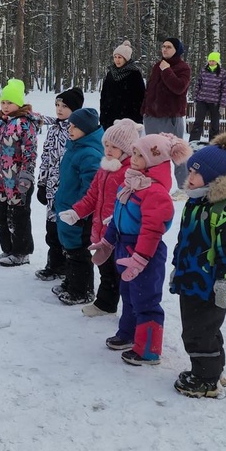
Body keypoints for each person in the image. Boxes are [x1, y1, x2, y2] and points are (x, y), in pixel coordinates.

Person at [90, 133, 191, 366]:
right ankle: (128, 334)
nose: (133, 158)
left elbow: (152, 230)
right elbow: (117, 216)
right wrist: (107, 242)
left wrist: (141, 258)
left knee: (146, 298)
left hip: (146, 253)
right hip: (125, 249)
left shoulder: (155, 193)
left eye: (140, 155)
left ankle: (148, 349)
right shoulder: (131, 183)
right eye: (133, 153)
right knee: (128, 294)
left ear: (154, 160)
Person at [171, 133, 226, 398]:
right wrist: (176, 265)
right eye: (190, 169)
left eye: (197, 172)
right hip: (191, 278)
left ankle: (206, 379)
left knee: (199, 332)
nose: (190, 175)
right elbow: (184, 240)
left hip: (211, 284)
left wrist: (225, 281)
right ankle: (213, 369)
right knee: (202, 329)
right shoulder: (194, 203)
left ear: (215, 178)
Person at [60, 119, 141, 317]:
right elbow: (92, 196)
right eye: (106, 145)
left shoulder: (129, 174)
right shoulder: (104, 169)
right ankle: (105, 304)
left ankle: (132, 310)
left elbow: (133, 204)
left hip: (121, 233)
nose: (109, 150)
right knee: (106, 270)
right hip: (102, 230)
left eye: (114, 147)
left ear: (127, 150)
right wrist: (76, 212)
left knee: (119, 271)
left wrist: (117, 219)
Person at [0, 79, 39, 266]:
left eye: (9, 103)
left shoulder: (25, 124)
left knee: (18, 218)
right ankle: (7, 249)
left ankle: (21, 253)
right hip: (1, 181)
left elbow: (30, 153)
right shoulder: (0, 124)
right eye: (3, 102)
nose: (5, 106)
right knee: (1, 216)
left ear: (19, 103)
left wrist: (26, 176)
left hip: (18, 182)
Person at [51, 107, 104, 305]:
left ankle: (81, 290)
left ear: (87, 130)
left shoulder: (89, 153)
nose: (70, 129)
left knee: (78, 252)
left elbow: (90, 187)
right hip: (66, 208)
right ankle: (71, 282)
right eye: (70, 125)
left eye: (75, 126)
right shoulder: (74, 148)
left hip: (78, 213)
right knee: (69, 248)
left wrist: (81, 211)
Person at [34, 87, 83, 282]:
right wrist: (42, 183)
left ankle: (67, 267)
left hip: (68, 189)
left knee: (66, 231)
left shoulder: (75, 131)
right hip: (52, 188)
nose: (59, 109)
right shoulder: (54, 129)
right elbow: (46, 158)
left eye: (64, 106)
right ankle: (53, 264)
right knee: (51, 230)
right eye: (57, 105)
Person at [141, 37, 192, 200]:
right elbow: (150, 89)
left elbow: (179, 88)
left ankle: (184, 187)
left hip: (170, 117)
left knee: (176, 152)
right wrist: (145, 109)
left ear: (177, 50)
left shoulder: (183, 68)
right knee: (152, 152)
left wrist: (167, 70)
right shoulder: (158, 65)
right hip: (152, 116)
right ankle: (154, 184)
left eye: (169, 47)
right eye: (163, 46)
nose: (164, 49)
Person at [99, 40, 145, 129]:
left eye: (120, 57)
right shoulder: (110, 73)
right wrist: (103, 114)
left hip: (128, 116)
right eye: (115, 57)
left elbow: (140, 97)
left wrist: (137, 118)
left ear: (126, 59)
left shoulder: (134, 73)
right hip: (109, 116)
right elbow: (104, 95)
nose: (117, 60)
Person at [189, 51, 226, 144]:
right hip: (202, 100)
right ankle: (193, 142)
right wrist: (195, 99)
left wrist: (222, 105)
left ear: (217, 62)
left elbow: (225, 89)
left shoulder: (222, 73)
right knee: (198, 122)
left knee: (215, 125)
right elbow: (197, 85)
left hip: (215, 102)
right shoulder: (203, 71)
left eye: (213, 61)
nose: (211, 62)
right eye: (210, 60)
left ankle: (214, 144)